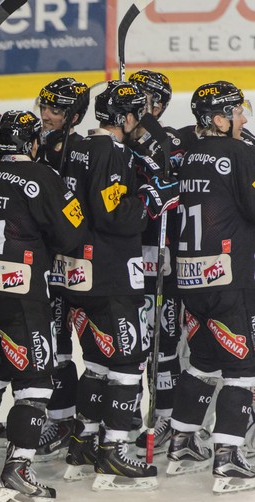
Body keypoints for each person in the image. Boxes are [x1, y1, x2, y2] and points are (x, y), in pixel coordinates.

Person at [0, 110, 86, 502]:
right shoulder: (42, 176)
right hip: (19, 289)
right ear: (32, 142)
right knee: (35, 383)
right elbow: (72, 234)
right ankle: (18, 469)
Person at [59, 81, 173, 490]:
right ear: (125, 118)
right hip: (111, 273)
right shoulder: (112, 150)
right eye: (136, 116)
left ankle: (84, 441)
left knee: (96, 360)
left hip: (80, 273)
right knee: (127, 359)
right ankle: (115, 450)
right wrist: (150, 199)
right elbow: (114, 214)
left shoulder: (76, 147)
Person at [167, 81, 255, 492]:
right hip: (227, 277)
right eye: (237, 111)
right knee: (242, 368)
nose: (244, 117)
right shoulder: (239, 153)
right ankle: (228, 457)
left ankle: (182, 442)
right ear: (219, 119)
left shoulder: (187, 158)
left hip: (190, 279)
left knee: (202, 360)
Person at [126, 70, 187, 458]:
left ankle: (164, 414)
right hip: (125, 258)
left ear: (159, 106)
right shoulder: (115, 146)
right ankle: (128, 410)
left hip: (162, 256)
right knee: (131, 343)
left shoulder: (171, 143)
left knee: (164, 346)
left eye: (144, 100)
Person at [33, 77, 89, 461]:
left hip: (78, 263)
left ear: (75, 115)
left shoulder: (84, 151)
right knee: (55, 346)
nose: (46, 115)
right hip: (47, 263)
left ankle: (78, 419)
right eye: (45, 106)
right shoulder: (36, 146)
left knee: (84, 348)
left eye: (56, 109)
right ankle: (62, 417)